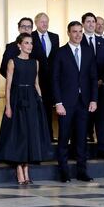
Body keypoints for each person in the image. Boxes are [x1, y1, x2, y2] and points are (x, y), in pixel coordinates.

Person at [0, 33, 51, 185]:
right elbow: (7, 87)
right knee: (19, 134)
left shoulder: (35, 62)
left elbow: (36, 84)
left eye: (31, 43)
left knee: (30, 135)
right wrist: (7, 106)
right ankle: (19, 168)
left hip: (32, 100)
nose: (29, 46)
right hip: (17, 99)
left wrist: (40, 102)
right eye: (26, 43)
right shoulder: (12, 62)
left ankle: (26, 169)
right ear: (19, 45)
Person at [52, 21, 98, 183]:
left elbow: (93, 78)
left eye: (80, 31)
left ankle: (81, 171)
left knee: (81, 139)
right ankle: (63, 171)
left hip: (84, 102)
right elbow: (55, 80)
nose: (78, 34)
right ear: (68, 33)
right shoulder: (60, 53)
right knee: (63, 138)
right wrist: (58, 102)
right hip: (66, 102)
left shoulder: (88, 51)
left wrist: (94, 99)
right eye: (74, 31)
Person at [81, 12, 104, 159]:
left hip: (101, 87)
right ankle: (82, 151)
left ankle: (102, 149)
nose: (92, 24)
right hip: (84, 89)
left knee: (101, 119)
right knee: (84, 119)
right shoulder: (78, 41)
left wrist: (102, 80)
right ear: (83, 24)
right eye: (88, 22)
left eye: (93, 21)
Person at [31, 12, 60, 142]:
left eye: (46, 21)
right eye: (42, 22)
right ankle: (38, 137)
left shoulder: (55, 37)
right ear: (36, 23)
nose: (45, 24)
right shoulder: (30, 37)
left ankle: (49, 135)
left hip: (50, 81)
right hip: (35, 80)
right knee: (36, 110)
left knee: (48, 109)